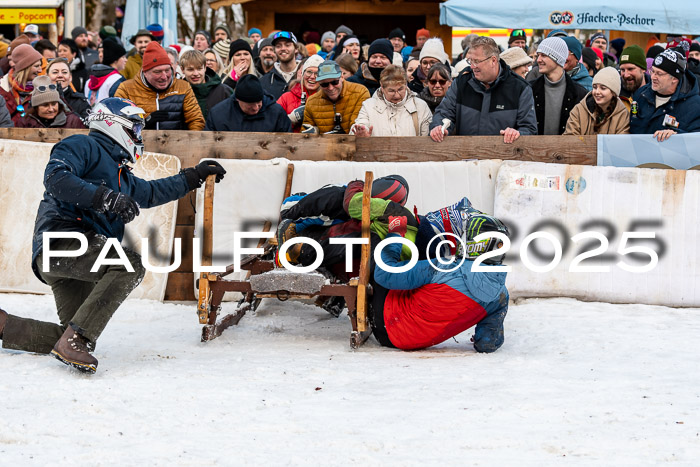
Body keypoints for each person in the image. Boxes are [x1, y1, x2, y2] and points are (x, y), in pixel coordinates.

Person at [0, 97, 226, 374]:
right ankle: (75, 340)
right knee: (129, 265)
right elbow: (56, 179)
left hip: (74, 257)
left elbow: (151, 193)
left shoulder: (121, 174)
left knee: (73, 330)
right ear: (114, 124)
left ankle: (6, 326)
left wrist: (194, 177)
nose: (138, 136)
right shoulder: (81, 145)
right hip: (62, 241)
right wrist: (105, 198)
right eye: (135, 129)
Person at [369, 213, 509, 353]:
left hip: (384, 324)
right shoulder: (500, 295)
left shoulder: (443, 266)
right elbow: (486, 344)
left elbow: (384, 274)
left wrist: (395, 234)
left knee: (375, 244)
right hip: (412, 343)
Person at [430, 36, 537, 144]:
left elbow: (529, 129)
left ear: (493, 60)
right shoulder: (461, 83)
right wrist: (438, 127)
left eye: (476, 61)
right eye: (470, 61)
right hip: (465, 156)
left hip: (504, 158)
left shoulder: (520, 88)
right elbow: (444, 112)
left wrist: (517, 133)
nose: (472, 66)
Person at [116, 42, 205, 130]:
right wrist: (144, 123)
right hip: (140, 143)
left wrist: (187, 141)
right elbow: (116, 123)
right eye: (157, 72)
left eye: (167, 70)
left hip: (176, 143)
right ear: (145, 72)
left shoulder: (183, 87)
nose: (164, 77)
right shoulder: (126, 89)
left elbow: (196, 121)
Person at [630, 49, 700, 141]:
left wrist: (677, 135)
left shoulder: (694, 106)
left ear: (674, 78)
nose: (653, 77)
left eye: (659, 74)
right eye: (652, 71)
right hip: (638, 153)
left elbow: (696, 141)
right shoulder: (641, 94)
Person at [351, 64, 432, 137]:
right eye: (391, 91)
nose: (397, 95)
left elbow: (427, 141)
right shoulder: (368, 106)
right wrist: (361, 134)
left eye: (400, 89)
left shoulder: (420, 106)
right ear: (382, 87)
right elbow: (358, 126)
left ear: (406, 85)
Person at [531, 37, 587, 135]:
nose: (538, 60)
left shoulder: (579, 93)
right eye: (538, 55)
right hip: (534, 149)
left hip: (567, 149)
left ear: (557, 58)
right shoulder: (529, 89)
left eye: (544, 55)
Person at [205, 74, 291, 132]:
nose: (256, 107)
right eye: (250, 104)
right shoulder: (218, 115)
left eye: (259, 102)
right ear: (238, 100)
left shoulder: (276, 113)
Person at [303, 60, 370, 134]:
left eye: (334, 82)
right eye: (325, 84)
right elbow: (305, 134)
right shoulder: (312, 102)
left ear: (341, 76)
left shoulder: (360, 92)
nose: (331, 88)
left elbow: (358, 125)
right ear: (319, 83)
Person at [564, 67, 630, 135]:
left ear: (613, 92)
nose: (597, 92)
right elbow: (569, 138)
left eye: (603, 88)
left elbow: (622, 142)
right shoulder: (579, 110)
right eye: (595, 87)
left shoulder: (623, 115)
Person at [15, 75, 85, 129]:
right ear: (36, 107)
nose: (51, 109)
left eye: (54, 104)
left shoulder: (73, 121)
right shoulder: (25, 122)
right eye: (45, 105)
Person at [180, 49, 232, 120]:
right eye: (190, 69)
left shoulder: (223, 91)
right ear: (182, 70)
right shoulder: (178, 93)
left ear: (205, 68)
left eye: (199, 69)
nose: (196, 73)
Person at [277, 55, 323, 131]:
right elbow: (274, 124)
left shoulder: (328, 98)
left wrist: (318, 131)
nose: (312, 76)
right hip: (289, 142)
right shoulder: (286, 98)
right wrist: (291, 119)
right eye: (309, 72)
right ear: (302, 74)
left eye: (317, 73)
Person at [0, 44, 43, 122]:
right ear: (25, 67)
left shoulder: (44, 88)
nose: (40, 70)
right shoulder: (2, 88)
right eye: (36, 66)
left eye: (40, 65)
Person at [84, 38, 126, 105]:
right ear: (115, 60)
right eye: (123, 57)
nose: (126, 60)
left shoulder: (89, 81)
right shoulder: (117, 80)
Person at [260, 31, 299, 100]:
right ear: (275, 51)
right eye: (278, 46)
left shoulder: (305, 77)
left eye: (287, 45)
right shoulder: (264, 81)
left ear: (296, 49)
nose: (283, 48)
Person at [618, 45, 650, 111]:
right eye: (622, 70)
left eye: (630, 69)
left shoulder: (656, 93)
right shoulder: (615, 95)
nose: (626, 75)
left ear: (643, 69)